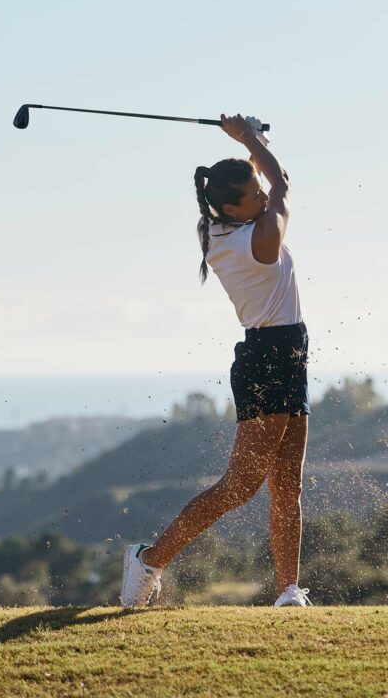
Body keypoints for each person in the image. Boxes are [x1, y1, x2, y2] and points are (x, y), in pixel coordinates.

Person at [120, 113, 312, 609]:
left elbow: (260, 183)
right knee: (239, 487)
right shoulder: (261, 238)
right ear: (234, 207)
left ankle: (289, 590)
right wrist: (248, 137)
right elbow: (282, 183)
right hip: (269, 359)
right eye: (253, 195)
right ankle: (149, 559)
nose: (263, 197)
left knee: (287, 485)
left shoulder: (214, 228)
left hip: (287, 353)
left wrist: (251, 147)